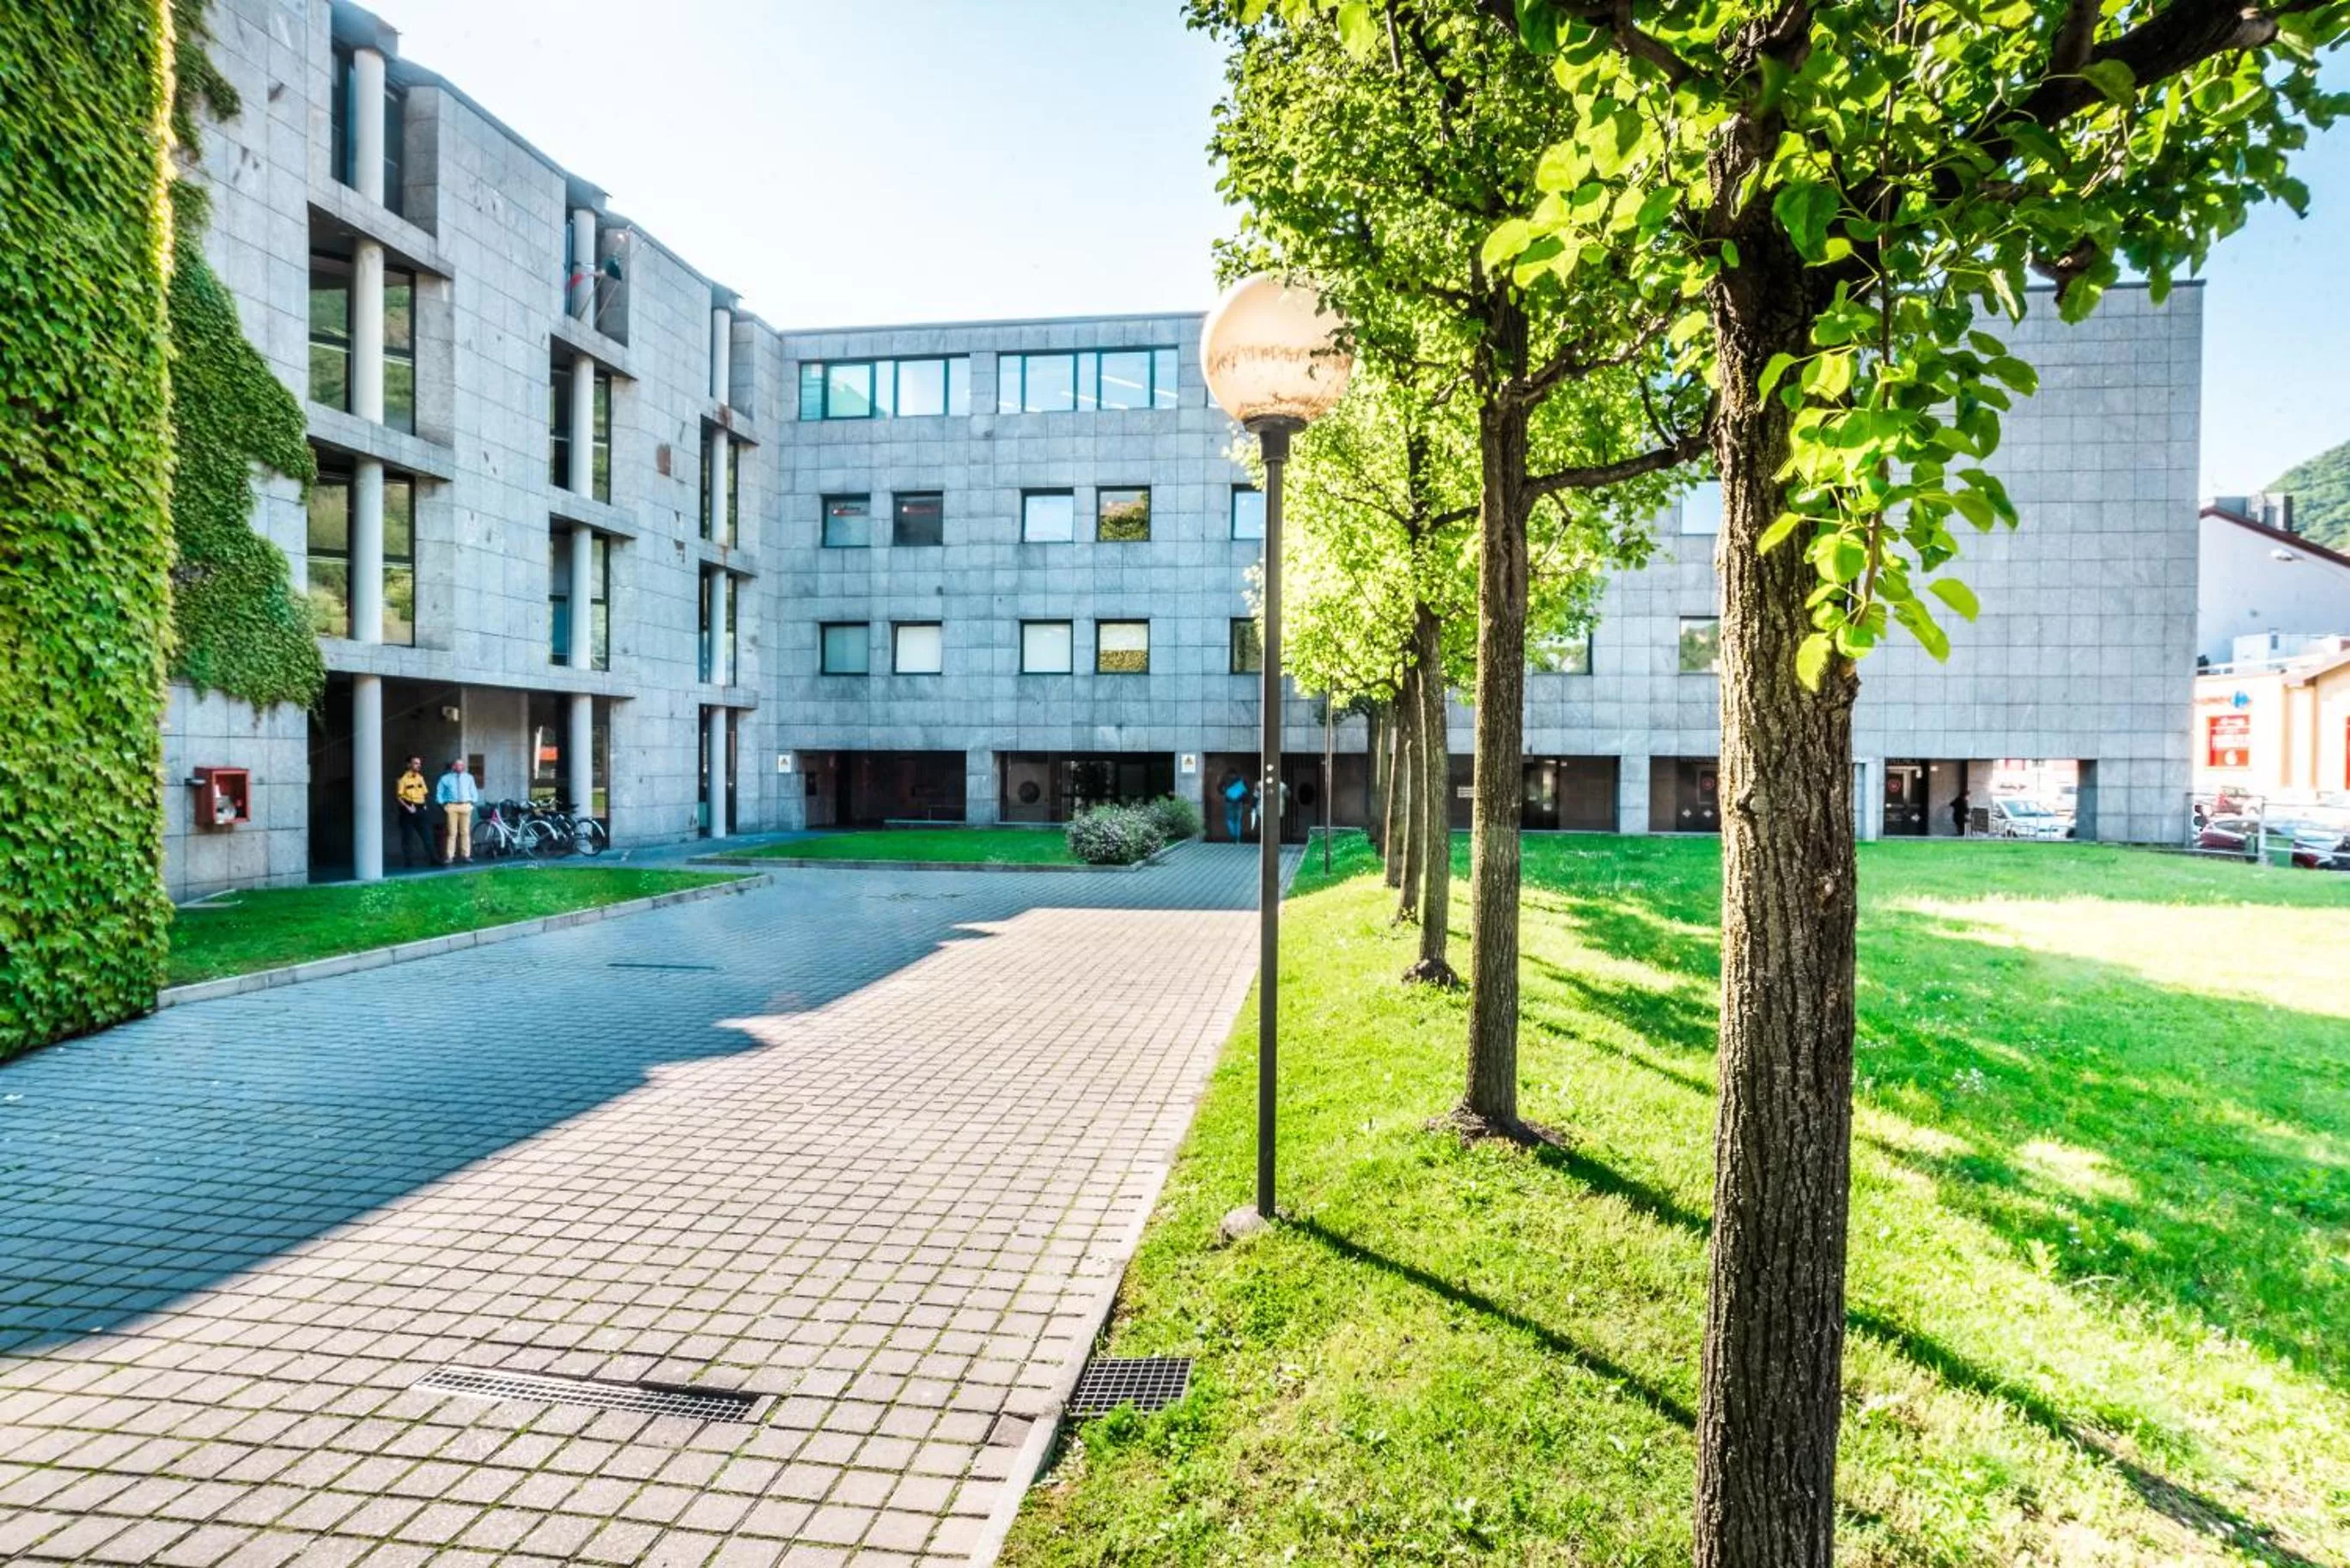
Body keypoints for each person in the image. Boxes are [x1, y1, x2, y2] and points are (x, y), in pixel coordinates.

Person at [435, 757, 478, 863]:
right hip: (452, 806)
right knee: (452, 832)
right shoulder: (445, 778)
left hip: (465, 806)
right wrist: (443, 805)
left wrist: (472, 803)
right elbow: (439, 792)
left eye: (462, 765)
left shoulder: (469, 778)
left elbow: (474, 791)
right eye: (458, 765)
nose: (460, 767)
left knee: (465, 832)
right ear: (453, 766)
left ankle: (466, 855)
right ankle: (450, 856)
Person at [394, 756, 433, 867]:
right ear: (409, 765)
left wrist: (424, 806)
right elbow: (398, 797)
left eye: (419, 763)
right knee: (408, 838)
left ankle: (433, 859)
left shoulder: (420, 777)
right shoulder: (402, 779)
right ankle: (409, 863)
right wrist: (408, 807)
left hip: (421, 810)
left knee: (427, 836)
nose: (418, 765)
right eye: (416, 763)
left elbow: (424, 793)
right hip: (408, 811)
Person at [1222, 773, 1251, 843]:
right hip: (1239, 803)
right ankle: (1237, 839)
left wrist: (1225, 792)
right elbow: (1245, 792)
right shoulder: (1240, 780)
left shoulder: (1226, 780)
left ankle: (1233, 836)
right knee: (1238, 821)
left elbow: (1219, 789)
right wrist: (1246, 802)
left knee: (1230, 819)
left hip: (1229, 802)